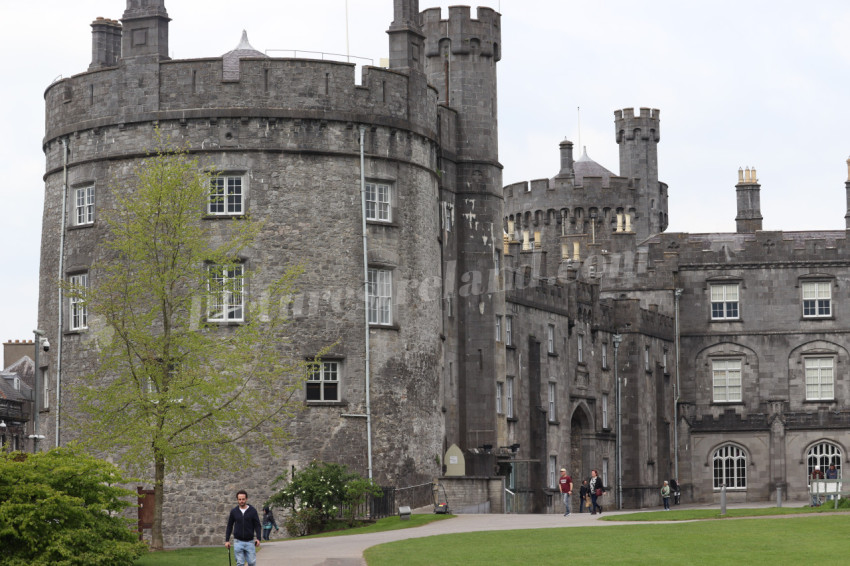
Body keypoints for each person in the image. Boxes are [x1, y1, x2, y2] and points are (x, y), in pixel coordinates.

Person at [225, 490, 262, 566]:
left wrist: (258, 538)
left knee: (252, 563)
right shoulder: (234, 511)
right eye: (239, 499)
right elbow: (229, 525)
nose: (241, 501)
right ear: (237, 500)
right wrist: (227, 540)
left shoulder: (252, 511)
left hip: (250, 542)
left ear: (246, 499)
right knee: (240, 563)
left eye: (243, 499)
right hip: (238, 542)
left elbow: (257, 525)